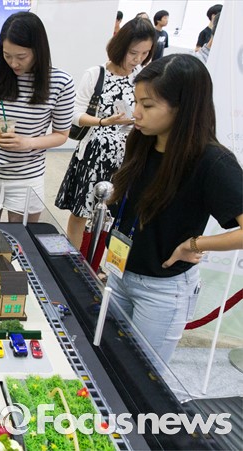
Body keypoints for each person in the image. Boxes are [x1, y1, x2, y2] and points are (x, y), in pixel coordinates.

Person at [105, 54, 243, 364]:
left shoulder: (213, 162)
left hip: (162, 290)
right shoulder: (142, 142)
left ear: (182, 107)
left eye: (148, 105)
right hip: (119, 271)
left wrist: (195, 244)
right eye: (136, 102)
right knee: (106, 360)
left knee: (142, 376)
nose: (136, 113)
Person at [0, 12, 75, 223]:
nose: (13, 63)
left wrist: (26, 143)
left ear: (38, 50)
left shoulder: (60, 83)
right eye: (7, 55)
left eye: (21, 57)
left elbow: (61, 135)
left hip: (26, 178)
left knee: (21, 238)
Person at [55, 18, 156, 249]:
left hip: (127, 157)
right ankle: (74, 259)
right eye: (133, 53)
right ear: (121, 47)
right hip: (93, 154)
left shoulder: (142, 78)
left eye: (145, 53)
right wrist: (103, 121)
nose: (138, 59)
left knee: (114, 216)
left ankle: (97, 261)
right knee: (81, 212)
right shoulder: (96, 74)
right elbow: (75, 114)